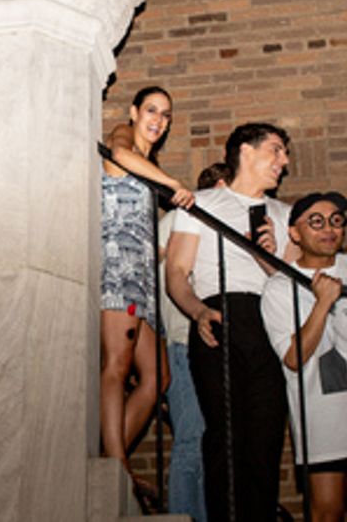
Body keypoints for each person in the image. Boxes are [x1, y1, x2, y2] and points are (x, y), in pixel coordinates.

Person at [165, 122, 295, 522]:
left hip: (270, 322)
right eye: (276, 150)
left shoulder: (285, 214)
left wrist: (267, 255)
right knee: (224, 433)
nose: (284, 161)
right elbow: (177, 273)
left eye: (284, 153)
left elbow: (290, 282)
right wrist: (198, 311)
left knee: (266, 434)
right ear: (245, 151)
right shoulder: (200, 204)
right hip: (220, 316)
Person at [261, 192, 347, 522]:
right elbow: (293, 358)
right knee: (327, 512)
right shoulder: (279, 287)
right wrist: (323, 302)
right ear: (295, 233)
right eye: (316, 221)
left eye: (336, 221)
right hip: (321, 421)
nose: (328, 228)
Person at [99, 86, 193, 500]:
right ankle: (117, 468)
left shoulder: (148, 164)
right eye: (152, 110)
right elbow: (120, 157)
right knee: (118, 365)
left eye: (167, 115)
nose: (159, 120)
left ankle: (109, 455)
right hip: (116, 271)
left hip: (141, 275)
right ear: (135, 112)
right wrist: (173, 184)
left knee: (158, 376)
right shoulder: (122, 136)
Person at [157, 162, 226, 522]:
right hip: (184, 342)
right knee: (191, 439)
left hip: (206, 344)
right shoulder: (179, 220)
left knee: (208, 440)